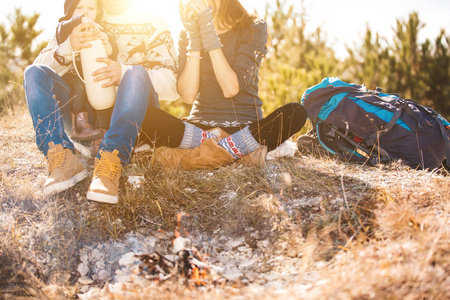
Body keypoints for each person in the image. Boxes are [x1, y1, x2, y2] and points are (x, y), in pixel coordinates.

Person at [23, 0, 178, 204]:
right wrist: (67, 48)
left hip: (133, 117)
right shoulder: (79, 20)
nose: (86, 11)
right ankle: (61, 155)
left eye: (89, 8)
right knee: (32, 71)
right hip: (84, 120)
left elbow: (172, 87)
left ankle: (111, 158)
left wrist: (122, 72)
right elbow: (38, 76)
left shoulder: (152, 22)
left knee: (135, 72)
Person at [139, 0, 308, 169]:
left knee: (295, 112)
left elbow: (230, 88)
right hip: (200, 129)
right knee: (142, 115)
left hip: (245, 128)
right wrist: (195, 37)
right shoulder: (189, 32)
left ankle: (200, 154)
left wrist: (208, 31)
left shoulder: (253, 27)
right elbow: (188, 95)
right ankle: (235, 151)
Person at [55, 0, 112, 142]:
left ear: (98, 12)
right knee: (79, 86)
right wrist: (81, 19)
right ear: (69, 11)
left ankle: (100, 138)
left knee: (102, 97)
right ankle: (80, 126)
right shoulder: (65, 27)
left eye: (91, 8)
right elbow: (61, 31)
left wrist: (107, 43)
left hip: (93, 78)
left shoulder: (99, 28)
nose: (85, 11)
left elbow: (112, 52)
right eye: (79, 7)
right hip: (73, 77)